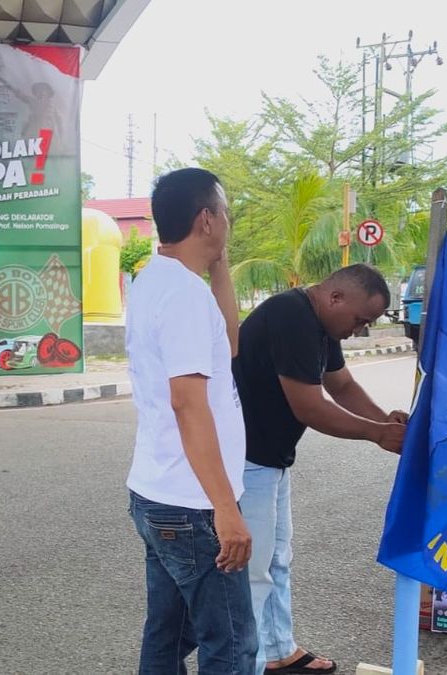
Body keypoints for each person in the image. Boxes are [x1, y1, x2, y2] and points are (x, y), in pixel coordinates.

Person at [232, 265, 408, 675]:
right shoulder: (291, 316)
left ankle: (278, 650)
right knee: (253, 572)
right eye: (360, 321)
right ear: (335, 298)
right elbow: (310, 407)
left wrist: (387, 424)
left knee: (277, 558)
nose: (359, 331)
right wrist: (377, 434)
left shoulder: (321, 326)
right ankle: (248, 664)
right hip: (245, 459)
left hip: (270, 459)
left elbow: (341, 385)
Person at [125, 167, 257, 674]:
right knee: (231, 644)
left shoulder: (159, 279)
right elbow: (187, 402)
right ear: (206, 219)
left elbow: (230, 342)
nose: (228, 220)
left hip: (160, 494)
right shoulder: (180, 294)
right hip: (194, 506)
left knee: (167, 637)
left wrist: (220, 265)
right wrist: (225, 508)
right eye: (224, 211)